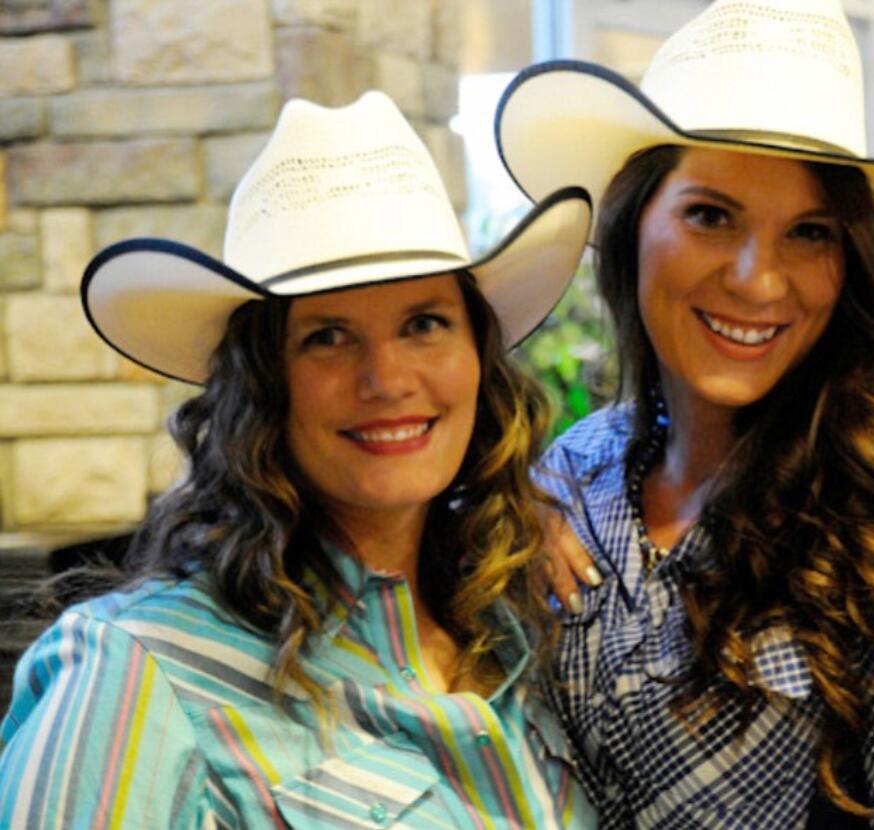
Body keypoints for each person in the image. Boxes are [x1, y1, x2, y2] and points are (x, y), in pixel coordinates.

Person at [494, 0, 874, 826]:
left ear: (853, 262)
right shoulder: (574, 471)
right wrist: (497, 510)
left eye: (810, 233)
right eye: (711, 216)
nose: (759, 281)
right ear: (630, 226)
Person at [0, 91, 597, 829]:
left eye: (423, 323)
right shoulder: (136, 670)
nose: (386, 380)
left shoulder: (513, 626)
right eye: (328, 336)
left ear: (478, 355)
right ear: (262, 383)